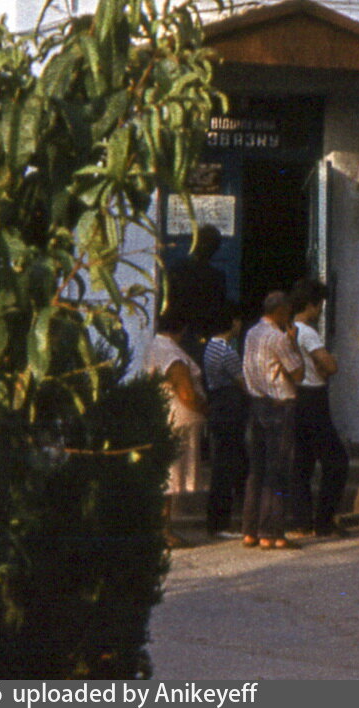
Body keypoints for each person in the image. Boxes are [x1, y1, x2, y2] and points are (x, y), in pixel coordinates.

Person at [240, 289, 305, 550]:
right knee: (276, 470)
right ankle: (271, 531)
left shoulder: (251, 333)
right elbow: (297, 373)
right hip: (279, 403)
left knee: (256, 469)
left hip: (256, 401)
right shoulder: (279, 338)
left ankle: (250, 530)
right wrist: (293, 342)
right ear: (280, 311)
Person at [289, 279, 349, 538]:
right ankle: (324, 520)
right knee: (336, 461)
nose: (321, 310)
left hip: (295, 396)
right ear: (312, 305)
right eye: (319, 305)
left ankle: (302, 518)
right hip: (313, 396)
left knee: (301, 461)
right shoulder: (308, 332)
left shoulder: (287, 329)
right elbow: (329, 365)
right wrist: (328, 363)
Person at [144, 309, 206, 548]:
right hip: (176, 419)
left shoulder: (156, 347)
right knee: (170, 476)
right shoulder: (171, 353)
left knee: (168, 475)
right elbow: (186, 393)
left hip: (167, 416)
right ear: (182, 329)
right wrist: (204, 408)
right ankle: (163, 529)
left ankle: (164, 527)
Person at [202, 310, 248, 539]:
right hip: (230, 407)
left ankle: (223, 519)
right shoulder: (227, 352)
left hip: (218, 405)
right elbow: (242, 382)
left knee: (226, 464)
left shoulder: (210, 347)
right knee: (227, 466)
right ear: (233, 322)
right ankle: (222, 521)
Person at [164, 223, 229, 344]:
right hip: (199, 336)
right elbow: (217, 310)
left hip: (178, 333)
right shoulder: (216, 277)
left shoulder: (177, 270)